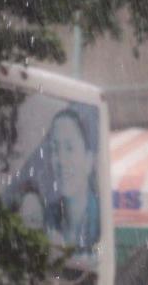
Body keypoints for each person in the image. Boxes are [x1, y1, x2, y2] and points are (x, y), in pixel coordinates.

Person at [45, 107, 100, 252]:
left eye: (70, 148)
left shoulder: (103, 221)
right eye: (55, 149)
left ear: (89, 160)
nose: (61, 160)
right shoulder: (47, 218)